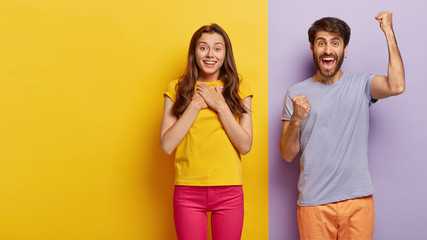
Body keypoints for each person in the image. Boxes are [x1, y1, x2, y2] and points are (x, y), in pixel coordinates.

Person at [279, 11, 404, 239]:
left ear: (345, 49)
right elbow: (287, 154)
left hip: (358, 202)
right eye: (321, 43)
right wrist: (297, 119)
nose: (328, 50)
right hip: (314, 203)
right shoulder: (295, 94)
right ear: (312, 49)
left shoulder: (361, 85)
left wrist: (388, 32)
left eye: (335, 43)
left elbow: (396, 86)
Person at [160, 23, 253, 240]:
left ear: (225, 53)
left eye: (217, 48)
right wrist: (194, 105)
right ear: (194, 52)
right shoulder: (177, 88)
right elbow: (166, 145)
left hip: (229, 189)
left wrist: (220, 105)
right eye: (203, 47)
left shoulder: (239, 87)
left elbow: (245, 145)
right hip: (188, 191)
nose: (210, 54)